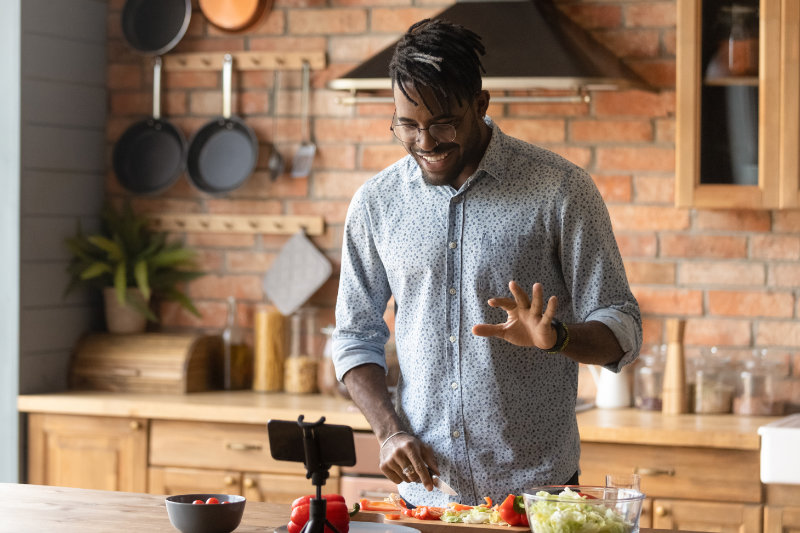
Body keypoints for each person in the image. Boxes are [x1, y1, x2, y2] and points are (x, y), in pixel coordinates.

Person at [332, 18, 642, 507]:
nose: (426, 142)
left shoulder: (559, 190)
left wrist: (557, 337)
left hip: (539, 497)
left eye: (443, 124)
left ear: (480, 105)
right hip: (429, 499)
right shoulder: (377, 203)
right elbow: (353, 336)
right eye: (407, 125)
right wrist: (389, 432)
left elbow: (622, 327)